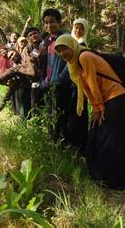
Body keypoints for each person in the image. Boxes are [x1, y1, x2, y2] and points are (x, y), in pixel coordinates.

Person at [54, 34, 125, 190]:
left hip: (114, 97)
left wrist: (98, 108)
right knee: (98, 135)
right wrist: (96, 107)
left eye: (65, 49)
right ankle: (102, 176)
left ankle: (118, 182)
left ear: (73, 46)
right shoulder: (74, 63)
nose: (63, 54)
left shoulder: (84, 57)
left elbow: (92, 83)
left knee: (111, 138)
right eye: (59, 51)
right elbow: (85, 88)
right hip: (106, 99)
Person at [39, 9, 88, 150]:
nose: (49, 25)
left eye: (52, 22)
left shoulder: (66, 39)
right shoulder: (47, 41)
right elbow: (47, 64)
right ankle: (53, 143)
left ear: (60, 22)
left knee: (63, 118)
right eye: (46, 23)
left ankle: (65, 147)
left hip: (63, 86)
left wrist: (58, 80)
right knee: (51, 115)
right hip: (49, 85)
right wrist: (45, 82)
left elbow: (70, 64)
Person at [0, 48, 35, 118]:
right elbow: (7, 74)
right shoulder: (15, 65)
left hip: (34, 82)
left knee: (13, 71)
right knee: (11, 89)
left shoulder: (25, 57)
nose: (12, 57)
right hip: (24, 84)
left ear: (16, 52)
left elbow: (31, 72)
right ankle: (0, 107)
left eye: (12, 54)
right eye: (10, 57)